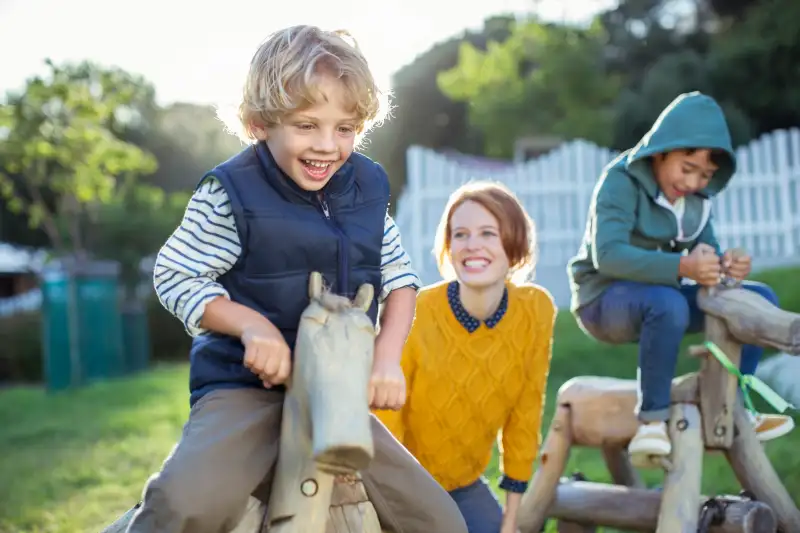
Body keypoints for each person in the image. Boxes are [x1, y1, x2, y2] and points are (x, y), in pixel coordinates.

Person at [127, 25, 468, 533]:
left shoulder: (366, 188)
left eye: (346, 128)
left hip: (338, 393)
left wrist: (388, 358)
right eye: (307, 125)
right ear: (258, 123)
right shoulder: (230, 193)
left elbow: (400, 279)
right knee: (186, 506)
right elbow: (176, 274)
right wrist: (250, 327)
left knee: (439, 521)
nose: (328, 146)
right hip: (247, 392)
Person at [567, 91, 795, 467]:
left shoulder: (695, 201)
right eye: (687, 168)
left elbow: (704, 257)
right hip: (603, 301)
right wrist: (682, 267)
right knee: (668, 302)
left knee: (758, 296)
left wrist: (725, 267)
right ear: (660, 152)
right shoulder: (620, 181)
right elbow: (606, 256)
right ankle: (651, 421)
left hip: (660, 300)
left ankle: (734, 405)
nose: (692, 182)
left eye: (704, 175)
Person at [375, 181, 556, 533]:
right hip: (400, 483)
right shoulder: (417, 313)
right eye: (460, 235)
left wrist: (511, 520)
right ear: (448, 247)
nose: (472, 245)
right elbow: (385, 422)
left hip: (465, 485)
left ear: (514, 243)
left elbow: (526, 413)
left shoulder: (536, 310)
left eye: (488, 233)